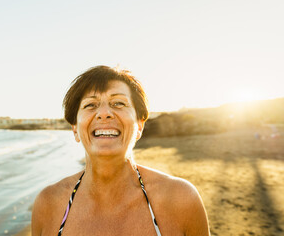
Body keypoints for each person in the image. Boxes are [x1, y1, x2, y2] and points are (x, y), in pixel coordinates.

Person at [31, 65, 210, 236]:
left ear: (140, 126)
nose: (104, 113)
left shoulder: (181, 199)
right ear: (75, 129)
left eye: (118, 103)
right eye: (90, 105)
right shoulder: (48, 203)